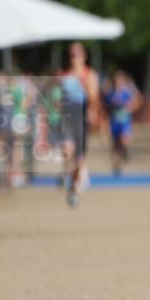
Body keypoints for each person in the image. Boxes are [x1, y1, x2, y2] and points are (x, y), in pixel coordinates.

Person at [62, 42, 100, 207]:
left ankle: (76, 184)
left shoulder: (89, 75)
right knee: (67, 151)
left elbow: (93, 98)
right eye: (71, 54)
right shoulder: (66, 75)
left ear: (83, 56)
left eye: (76, 54)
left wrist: (92, 112)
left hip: (81, 116)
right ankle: (75, 179)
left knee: (79, 157)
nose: (74, 58)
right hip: (67, 116)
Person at [104, 70, 144, 176]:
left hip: (125, 121)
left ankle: (125, 151)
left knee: (124, 139)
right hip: (114, 121)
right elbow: (106, 106)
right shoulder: (111, 93)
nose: (118, 82)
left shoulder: (127, 92)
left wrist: (131, 107)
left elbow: (139, 100)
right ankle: (116, 166)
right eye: (117, 79)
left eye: (120, 79)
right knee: (115, 145)